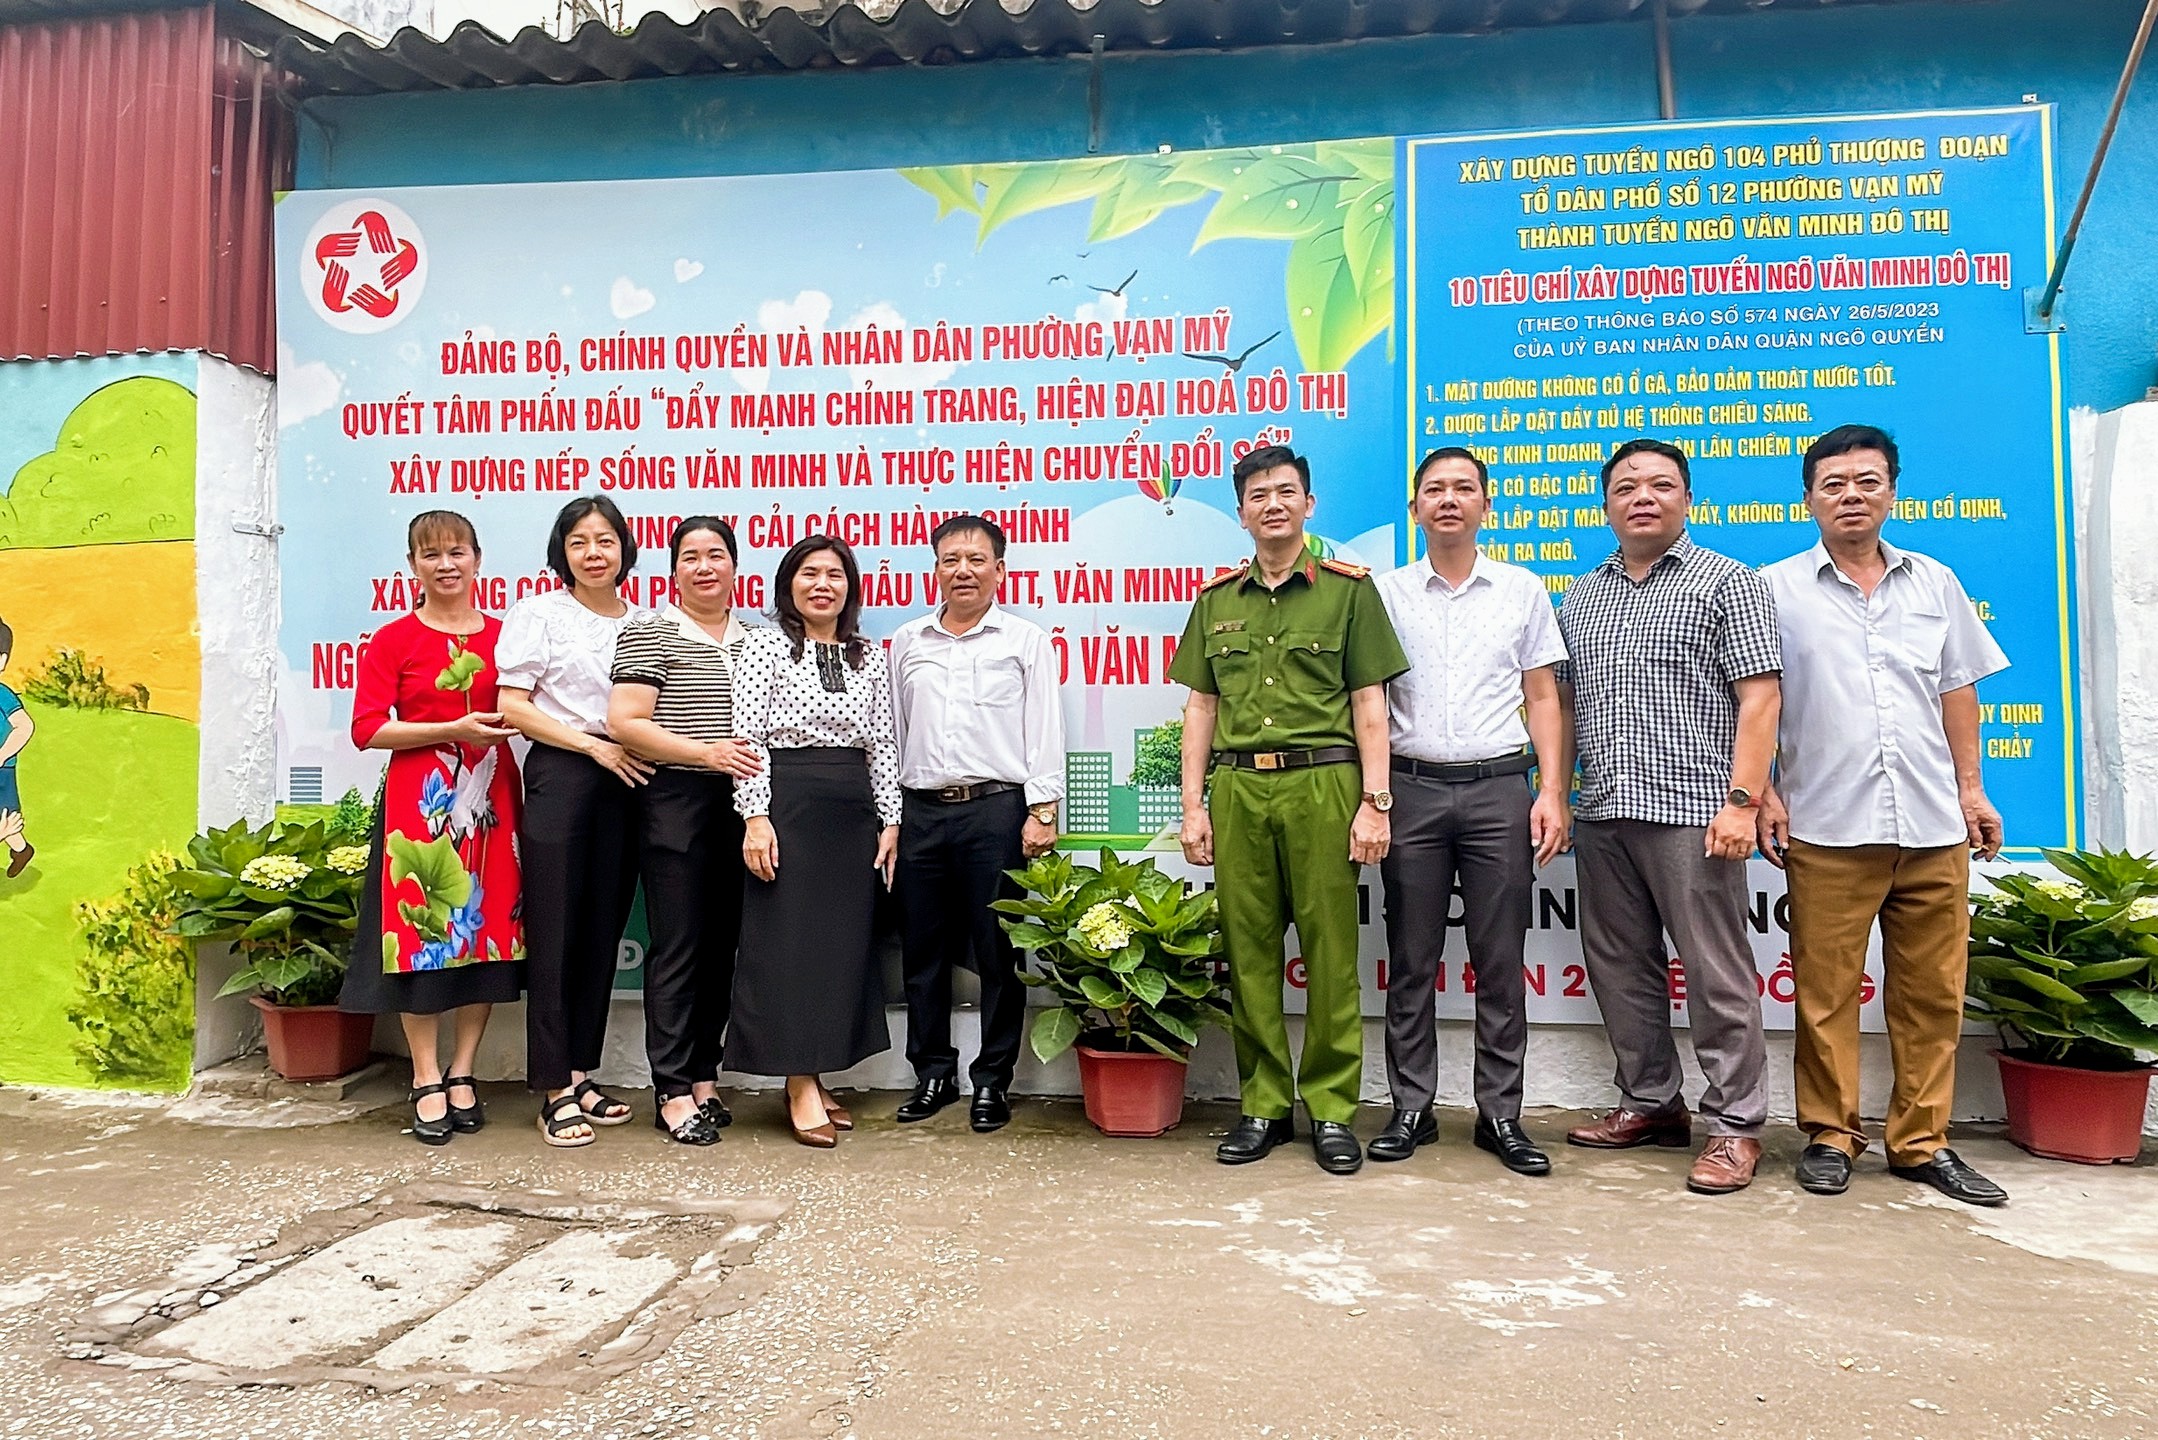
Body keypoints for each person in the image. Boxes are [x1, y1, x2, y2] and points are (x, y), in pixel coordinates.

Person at [1760, 425, 2010, 1207]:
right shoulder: (1775, 589)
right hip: (1827, 826)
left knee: (1932, 994)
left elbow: (1958, 691)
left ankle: (1921, 1142)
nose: (1851, 496)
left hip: (1934, 826)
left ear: (1892, 491)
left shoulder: (1935, 583)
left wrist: (1972, 790)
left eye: (1866, 481)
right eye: (1833, 484)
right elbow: (1757, 700)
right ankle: (1831, 1134)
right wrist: (1763, 786)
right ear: (1809, 499)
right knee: (1826, 993)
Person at [1168, 444, 1408, 1176]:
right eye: (1258, 495)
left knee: (1333, 954)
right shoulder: (1216, 602)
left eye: (1287, 492)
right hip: (1240, 790)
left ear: (1310, 505)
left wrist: (1375, 804)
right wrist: (1193, 806)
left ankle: (1332, 1110)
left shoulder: (1348, 592)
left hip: (1324, 785)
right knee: (1249, 953)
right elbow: (1201, 706)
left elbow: (1372, 704)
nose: (1273, 504)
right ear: (1241, 514)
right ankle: (1263, 1104)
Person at [1557, 438, 1783, 1195]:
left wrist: (1742, 802)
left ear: (1687, 498)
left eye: (1660, 485)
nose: (1642, 497)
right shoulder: (1581, 596)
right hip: (1606, 812)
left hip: (1697, 814)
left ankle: (1736, 1125)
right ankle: (1652, 1102)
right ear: (1607, 504)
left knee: (1717, 973)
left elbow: (1761, 697)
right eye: (1626, 487)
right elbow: (1560, 705)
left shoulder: (1729, 583)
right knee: (1621, 970)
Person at [1371, 447, 1570, 1174]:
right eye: (1434, 489)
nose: (1449, 499)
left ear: (1488, 504)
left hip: (1497, 790)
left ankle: (1501, 1115)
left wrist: (1551, 790)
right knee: (1412, 959)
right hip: (1411, 788)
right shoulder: (1385, 595)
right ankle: (1411, 1107)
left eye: (1464, 488)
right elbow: (1367, 704)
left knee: (1500, 960)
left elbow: (1543, 695)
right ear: (1416, 507)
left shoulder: (1522, 590)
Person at [341, 511, 526, 1146]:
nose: (446, 564)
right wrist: (452, 730)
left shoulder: (508, 637)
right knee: (424, 938)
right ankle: (424, 1077)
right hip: (419, 806)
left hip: (493, 800)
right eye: (430, 554)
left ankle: (464, 1070)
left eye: (457, 552)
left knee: (488, 938)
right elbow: (368, 729)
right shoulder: (392, 640)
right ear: (411, 566)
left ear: (479, 558)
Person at [887, 516, 1065, 1133]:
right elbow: (895, 735)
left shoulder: (1024, 640)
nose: (963, 570)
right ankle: (932, 1072)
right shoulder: (908, 642)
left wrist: (1042, 810)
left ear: (999, 569)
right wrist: (894, 814)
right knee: (924, 953)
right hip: (922, 813)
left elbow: (1044, 728)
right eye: (950, 559)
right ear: (934, 568)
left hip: (996, 810)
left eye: (976, 559)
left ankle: (993, 1081)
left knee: (998, 953)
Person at [729, 535, 902, 1147]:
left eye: (834, 573)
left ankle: (819, 1071)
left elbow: (882, 742)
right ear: (789, 583)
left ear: (850, 586)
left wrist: (890, 820)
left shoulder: (868, 655)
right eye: (809, 573)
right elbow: (745, 736)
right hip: (789, 804)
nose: (822, 584)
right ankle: (797, 1081)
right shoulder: (764, 645)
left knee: (839, 951)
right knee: (789, 948)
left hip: (852, 813)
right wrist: (754, 817)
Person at [499, 496, 653, 1149]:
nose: (594, 552)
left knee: (600, 929)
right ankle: (552, 1088)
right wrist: (591, 745)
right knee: (558, 930)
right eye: (580, 541)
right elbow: (513, 707)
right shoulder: (540, 614)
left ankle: (582, 1073)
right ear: (562, 551)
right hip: (564, 773)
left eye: (606, 540)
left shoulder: (645, 621)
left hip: (628, 780)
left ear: (624, 549)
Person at [608, 517, 763, 1147]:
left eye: (717, 555)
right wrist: (707, 755)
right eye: (691, 557)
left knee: (724, 945)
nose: (705, 567)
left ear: (734, 567)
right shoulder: (651, 628)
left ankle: (705, 1076)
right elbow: (624, 721)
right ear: (673, 571)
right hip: (678, 798)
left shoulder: (757, 639)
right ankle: (670, 1089)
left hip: (744, 802)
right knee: (678, 946)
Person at [0, 616, 34, 878]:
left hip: (2, 770)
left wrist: (2, 754)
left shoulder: (3, 695)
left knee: (6, 817)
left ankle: (21, 849)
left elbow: (24, 726)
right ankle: (21, 849)